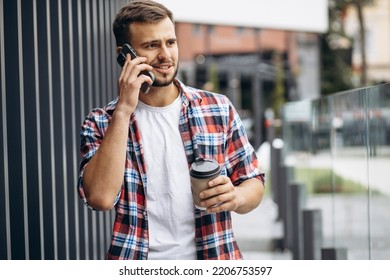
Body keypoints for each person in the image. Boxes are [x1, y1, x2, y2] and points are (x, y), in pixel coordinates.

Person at [78, 0, 265, 260]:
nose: (166, 55)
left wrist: (236, 196)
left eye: (171, 42)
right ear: (125, 54)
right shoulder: (101, 121)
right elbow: (100, 198)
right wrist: (122, 112)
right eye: (152, 45)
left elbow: (253, 181)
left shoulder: (217, 108)